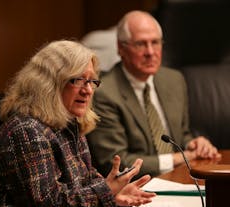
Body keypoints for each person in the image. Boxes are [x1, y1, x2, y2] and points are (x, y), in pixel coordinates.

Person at [0, 40, 156, 207]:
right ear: (49, 83)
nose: (87, 90)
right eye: (78, 80)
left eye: (91, 81)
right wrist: (106, 192)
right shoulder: (26, 132)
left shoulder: (68, 125)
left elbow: (85, 182)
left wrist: (114, 194)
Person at [86, 10, 221, 178]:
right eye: (141, 44)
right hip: (136, 187)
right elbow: (116, 163)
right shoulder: (103, 93)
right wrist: (179, 158)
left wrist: (194, 145)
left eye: (155, 42)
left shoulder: (174, 80)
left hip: (179, 178)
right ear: (121, 48)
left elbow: (181, 134)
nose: (150, 52)